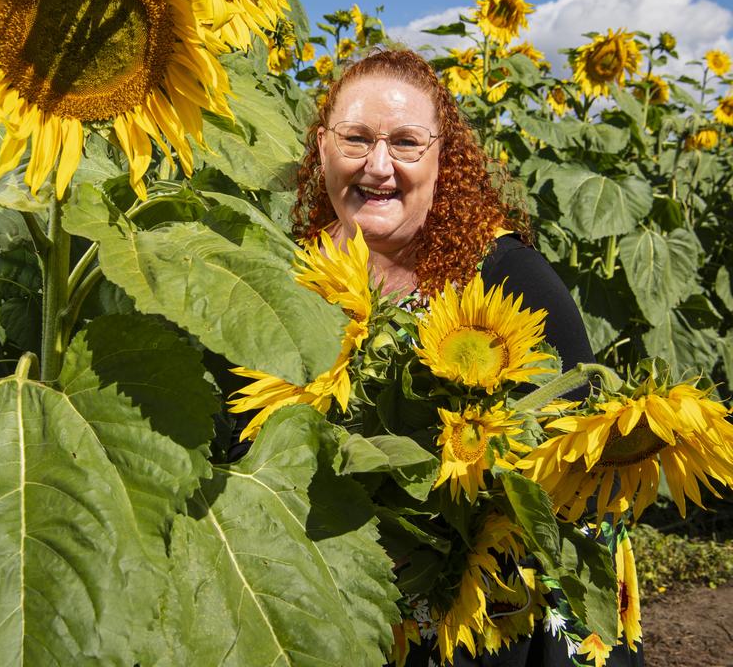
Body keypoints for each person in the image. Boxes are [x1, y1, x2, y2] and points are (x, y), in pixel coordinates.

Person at [233, 48, 641, 666]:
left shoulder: (508, 279)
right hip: (344, 599)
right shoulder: (291, 278)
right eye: (355, 139)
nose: (378, 166)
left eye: (405, 143)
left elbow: (579, 486)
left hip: (488, 611)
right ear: (321, 148)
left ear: (442, 155)